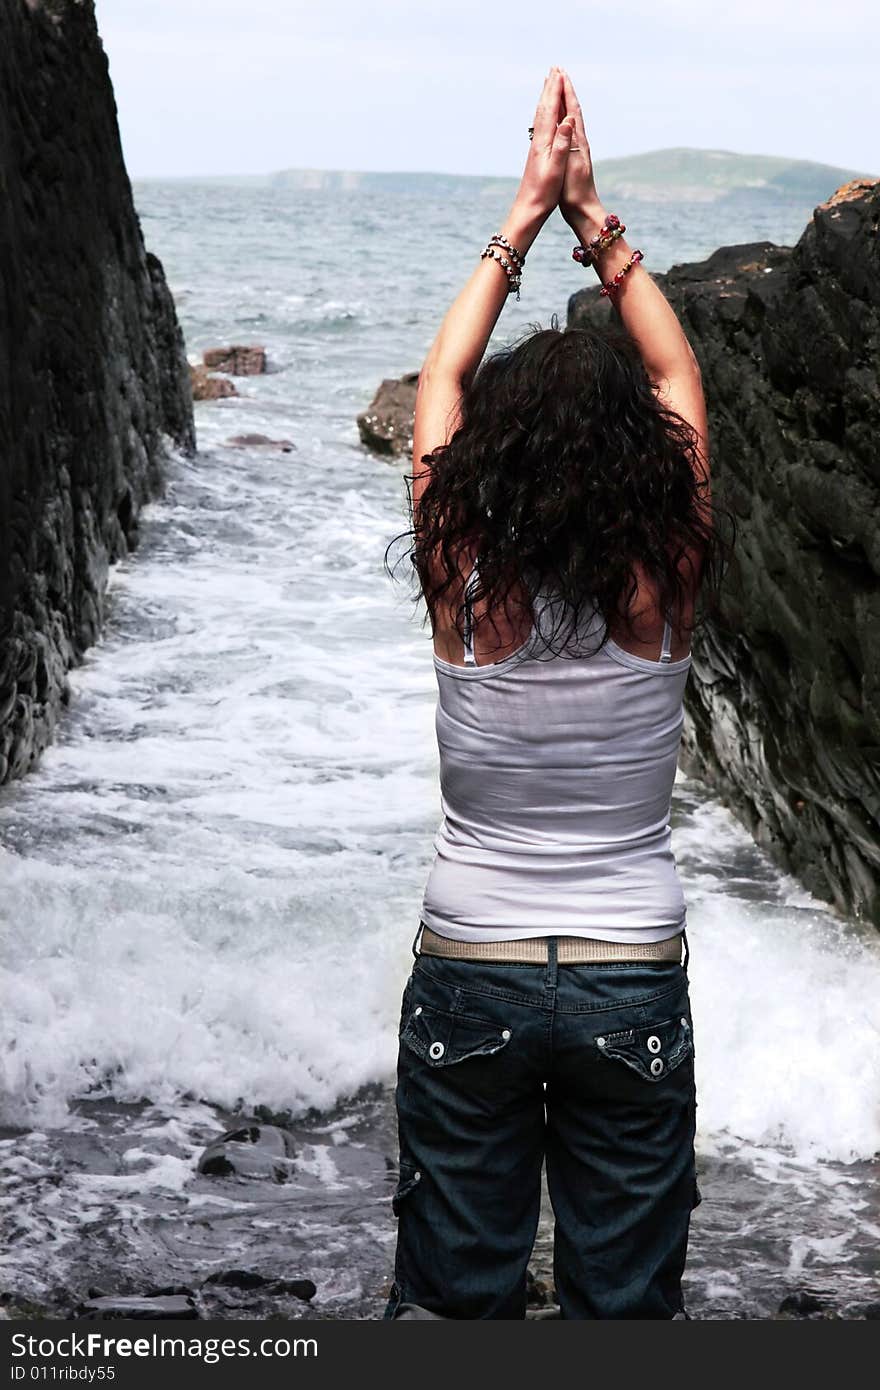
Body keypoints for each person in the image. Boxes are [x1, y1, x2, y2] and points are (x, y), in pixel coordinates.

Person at [383, 66, 730, 1320]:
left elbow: (437, 391)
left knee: (455, 1300)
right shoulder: (668, 574)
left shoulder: (459, 577)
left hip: (471, 958)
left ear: (498, 455)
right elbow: (682, 386)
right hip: (628, 968)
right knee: (623, 1307)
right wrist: (598, 223)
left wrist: (521, 216)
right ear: (638, 457)